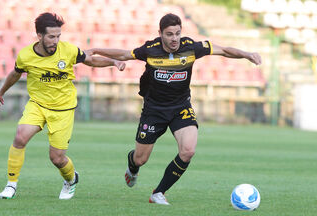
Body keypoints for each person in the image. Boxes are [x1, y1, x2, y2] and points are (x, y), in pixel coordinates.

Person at [87, 13, 261, 205]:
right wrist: (96, 49)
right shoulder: (150, 50)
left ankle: (158, 193)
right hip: (154, 110)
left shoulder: (192, 48)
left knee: (188, 151)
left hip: (180, 107)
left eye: (177, 33)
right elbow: (124, 54)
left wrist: (247, 54)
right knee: (140, 159)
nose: (174, 38)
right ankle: (132, 165)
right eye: (169, 34)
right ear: (160, 33)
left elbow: (224, 50)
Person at [0, 12, 126, 200]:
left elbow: (91, 60)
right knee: (20, 138)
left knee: (57, 158)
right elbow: (15, 74)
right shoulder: (26, 56)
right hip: (37, 105)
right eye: (51, 37)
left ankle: (71, 180)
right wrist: (1, 92)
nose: (55, 41)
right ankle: (11, 185)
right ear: (39, 36)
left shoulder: (69, 50)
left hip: (63, 110)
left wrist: (113, 62)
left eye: (58, 36)